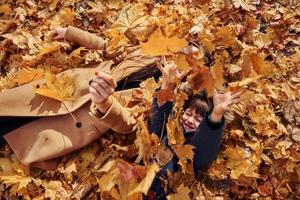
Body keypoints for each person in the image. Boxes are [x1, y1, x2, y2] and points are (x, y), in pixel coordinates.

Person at [0, 26, 159, 169]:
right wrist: (71, 33)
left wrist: (105, 105)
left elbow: (130, 124)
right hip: (70, 89)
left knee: (19, 136)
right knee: (12, 107)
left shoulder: (164, 94)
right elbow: (108, 47)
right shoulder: (151, 53)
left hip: (78, 121)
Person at [88, 60, 243, 198]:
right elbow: (159, 116)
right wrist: (167, 86)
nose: (190, 120)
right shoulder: (165, 130)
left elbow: (206, 146)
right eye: (189, 114)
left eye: (198, 120)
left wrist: (216, 114)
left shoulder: (194, 152)